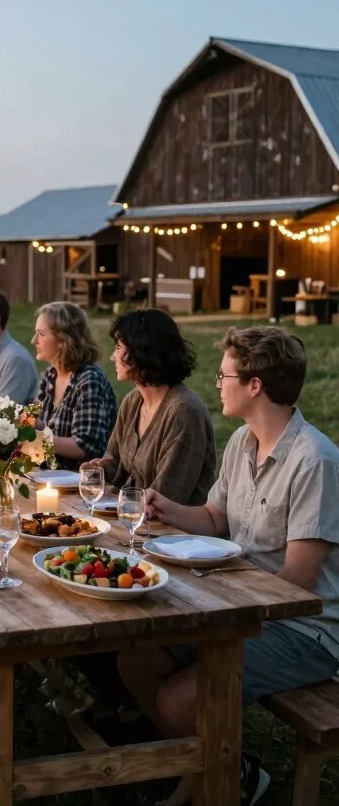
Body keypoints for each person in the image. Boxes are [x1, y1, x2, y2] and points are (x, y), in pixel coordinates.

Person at [118, 326, 339, 806]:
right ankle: (225, 769)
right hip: (245, 606)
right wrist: (166, 508)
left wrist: (214, 596)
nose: (217, 384)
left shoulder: (314, 460)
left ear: (254, 385)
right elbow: (216, 517)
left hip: (302, 629)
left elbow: (297, 583)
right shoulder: (242, 440)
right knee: (135, 659)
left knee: (177, 701)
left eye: (224, 375)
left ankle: (216, 775)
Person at [92, 309, 215, 505]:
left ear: (142, 351)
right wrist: (94, 472)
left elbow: (168, 495)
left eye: (118, 347)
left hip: (171, 530)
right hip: (131, 516)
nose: (113, 357)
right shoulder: (133, 401)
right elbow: (114, 462)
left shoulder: (183, 410)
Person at [32, 301, 116, 467]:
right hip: (51, 479)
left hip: (83, 483)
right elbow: (41, 424)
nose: (34, 340)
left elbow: (85, 446)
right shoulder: (50, 375)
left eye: (41, 334)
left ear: (63, 340)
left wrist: (35, 437)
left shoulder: (89, 380)